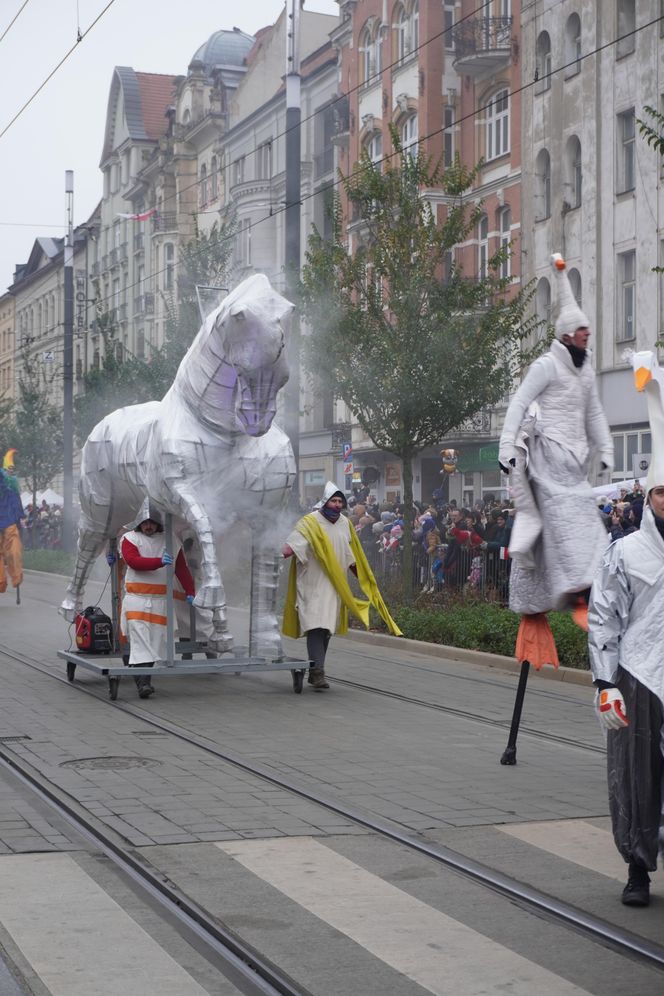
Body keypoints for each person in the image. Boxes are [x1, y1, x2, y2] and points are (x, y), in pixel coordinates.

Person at [498, 253, 613, 667]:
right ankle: (570, 592)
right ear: (566, 335)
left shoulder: (584, 371)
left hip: (573, 460)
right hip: (547, 456)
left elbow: (595, 411)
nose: (587, 336)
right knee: (560, 519)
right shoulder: (546, 366)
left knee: (584, 517)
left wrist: (606, 449)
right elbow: (519, 403)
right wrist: (507, 449)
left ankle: (587, 587)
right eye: (581, 331)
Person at [588, 351, 664, 907]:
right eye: (662, 492)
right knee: (635, 777)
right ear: (649, 496)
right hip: (637, 676)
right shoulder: (625, 552)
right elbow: (603, 616)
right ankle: (638, 866)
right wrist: (603, 680)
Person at [281, 481, 401, 690]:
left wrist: (363, 579)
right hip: (312, 584)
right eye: (333, 500)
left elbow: (350, 556)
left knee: (326, 628)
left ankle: (316, 669)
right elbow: (292, 545)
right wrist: (280, 553)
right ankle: (317, 672)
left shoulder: (345, 523)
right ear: (325, 501)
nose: (337, 505)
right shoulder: (309, 522)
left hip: (336, 586)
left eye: (340, 501)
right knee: (316, 626)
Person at [120, 505, 194, 698]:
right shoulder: (129, 539)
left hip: (161, 602)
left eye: (151, 522)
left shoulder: (170, 541)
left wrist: (190, 591)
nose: (148, 526)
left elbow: (182, 569)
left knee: (154, 643)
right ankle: (143, 683)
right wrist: (158, 562)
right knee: (141, 641)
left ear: (158, 523)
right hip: (137, 600)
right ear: (139, 524)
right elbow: (133, 561)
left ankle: (142, 679)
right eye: (145, 523)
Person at [0, 449, 24, 595]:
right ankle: (1, 582)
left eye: (12, 469)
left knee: (14, 551)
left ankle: (16, 577)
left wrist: (19, 519)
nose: (11, 471)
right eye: (9, 468)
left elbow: (17, 505)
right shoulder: (3, 481)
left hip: (8, 522)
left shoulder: (13, 487)